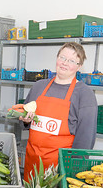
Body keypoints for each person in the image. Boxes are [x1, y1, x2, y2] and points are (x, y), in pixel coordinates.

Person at [19, 42, 97, 182]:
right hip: (33, 162)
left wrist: (71, 171)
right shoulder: (39, 86)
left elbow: (86, 138)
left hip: (60, 168)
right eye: (62, 57)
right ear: (57, 58)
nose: (65, 63)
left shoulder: (84, 94)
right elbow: (24, 118)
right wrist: (25, 120)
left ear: (79, 66)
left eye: (72, 61)